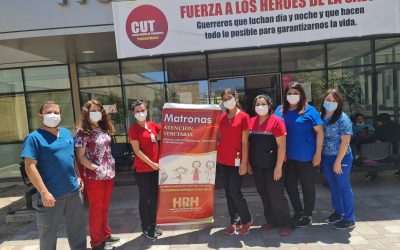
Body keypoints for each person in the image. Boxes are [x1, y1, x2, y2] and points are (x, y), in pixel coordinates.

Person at [20, 101, 87, 250]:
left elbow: (72, 157)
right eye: (49, 112)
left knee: (78, 231)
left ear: (61, 115)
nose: (53, 115)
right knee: (48, 234)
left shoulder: (66, 133)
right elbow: (30, 167)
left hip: (74, 193)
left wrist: (78, 176)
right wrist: (44, 192)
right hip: (51, 196)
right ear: (40, 116)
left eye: (56, 113)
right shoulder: (33, 138)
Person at [275, 82, 324, 228]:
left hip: (306, 157)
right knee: (290, 186)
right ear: (285, 95)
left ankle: (307, 215)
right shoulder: (280, 110)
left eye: (295, 93)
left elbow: (320, 132)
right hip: (287, 157)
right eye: (289, 93)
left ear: (302, 95)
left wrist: (318, 153)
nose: (292, 96)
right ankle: (298, 211)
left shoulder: (310, 110)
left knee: (307, 186)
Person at [75, 100, 119, 250]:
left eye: (99, 110)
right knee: (96, 208)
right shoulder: (82, 132)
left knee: (105, 207)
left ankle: (106, 234)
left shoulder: (103, 128)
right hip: (94, 176)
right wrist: (96, 168)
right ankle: (97, 243)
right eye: (93, 110)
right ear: (86, 113)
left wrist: (108, 167)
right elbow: (80, 157)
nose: (97, 113)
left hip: (109, 173)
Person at [248, 95, 293, 236]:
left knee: (276, 195)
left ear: (269, 105)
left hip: (273, 166)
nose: (260, 107)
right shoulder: (251, 122)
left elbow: (282, 146)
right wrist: (248, 162)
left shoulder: (277, 122)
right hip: (257, 166)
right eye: (257, 104)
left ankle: (286, 223)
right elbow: (248, 144)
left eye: (263, 104)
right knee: (264, 194)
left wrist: (279, 167)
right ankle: (271, 221)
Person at [217, 88, 252, 235]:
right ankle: (234, 221)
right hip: (223, 160)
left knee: (234, 191)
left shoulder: (244, 117)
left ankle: (247, 219)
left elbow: (245, 142)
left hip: (237, 161)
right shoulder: (221, 118)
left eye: (229, 97)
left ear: (236, 98)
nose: (227, 101)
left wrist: (244, 162)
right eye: (224, 99)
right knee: (228, 192)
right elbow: (219, 137)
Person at [320, 90, 355, 230]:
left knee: (343, 186)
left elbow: (346, 141)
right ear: (323, 101)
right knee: (333, 186)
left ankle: (349, 218)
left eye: (334, 101)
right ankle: (338, 212)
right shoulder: (321, 116)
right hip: (327, 156)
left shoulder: (343, 118)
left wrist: (338, 162)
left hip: (341, 157)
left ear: (339, 103)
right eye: (328, 99)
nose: (331, 103)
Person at [129, 100, 162, 240]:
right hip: (143, 170)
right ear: (133, 113)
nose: (140, 113)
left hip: (155, 169)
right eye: (137, 111)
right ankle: (146, 227)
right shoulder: (133, 129)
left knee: (155, 198)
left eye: (142, 110)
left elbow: (169, 131)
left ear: (147, 110)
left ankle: (153, 224)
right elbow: (137, 151)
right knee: (145, 198)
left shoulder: (153, 125)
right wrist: (152, 164)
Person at [374, 113, 400, 177]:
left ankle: (374, 172)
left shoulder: (379, 130)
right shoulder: (398, 126)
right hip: (397, 152)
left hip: (384, 155)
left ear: (380, 121)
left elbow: (377, 142)